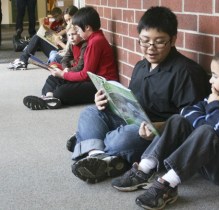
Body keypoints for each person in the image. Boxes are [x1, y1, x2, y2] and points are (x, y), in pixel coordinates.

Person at [69, 6, 209, 184]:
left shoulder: (187, 72)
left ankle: (90, 144)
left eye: (159, 42)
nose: (150, 48)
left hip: (155, 134)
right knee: (90, 113)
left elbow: (189, 123)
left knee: (121, 138)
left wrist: (158, 127)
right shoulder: (141, 66)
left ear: (173, 40)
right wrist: (105, 102)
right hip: (133, 122)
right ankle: (99, 156)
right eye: (144, 41)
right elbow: (131, 102)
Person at [111, 47, 219, 210]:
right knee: (178, 120)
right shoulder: (218, 98)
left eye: (215, 76)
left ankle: (168, 183)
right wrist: (212, 120)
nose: (210, 81)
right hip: (207, 162)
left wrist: (212, 111)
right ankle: (145, 167)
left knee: (207, 131)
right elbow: (187, 111)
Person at [22, 25, 87, 110]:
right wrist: (65, 68)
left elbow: (80, 67)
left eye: (73, 34)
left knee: (60, 90)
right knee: (51, 78)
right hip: (69, 72)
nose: (71, 38)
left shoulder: (84, 46)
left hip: (78, 75)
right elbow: (65, 59)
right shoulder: (72, 45)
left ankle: (50, 98)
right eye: (69, 35)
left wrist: (67, 71)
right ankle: (49, 97)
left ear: (80, 34)